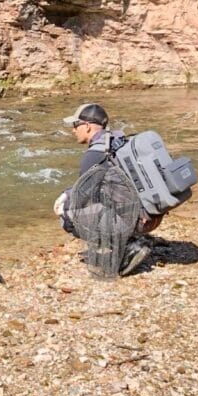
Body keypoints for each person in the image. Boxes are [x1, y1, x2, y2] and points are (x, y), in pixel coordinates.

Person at [54, 103, 158, 276]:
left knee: (68, 216)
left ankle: (128, 247)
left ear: (86, 126)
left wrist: (63, 201)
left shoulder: (94, 153)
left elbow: (83, 196)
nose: (73, 130)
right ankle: (133, 237)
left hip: (137, 221)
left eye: (75, 125)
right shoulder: (119, 141)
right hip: (153, 216)